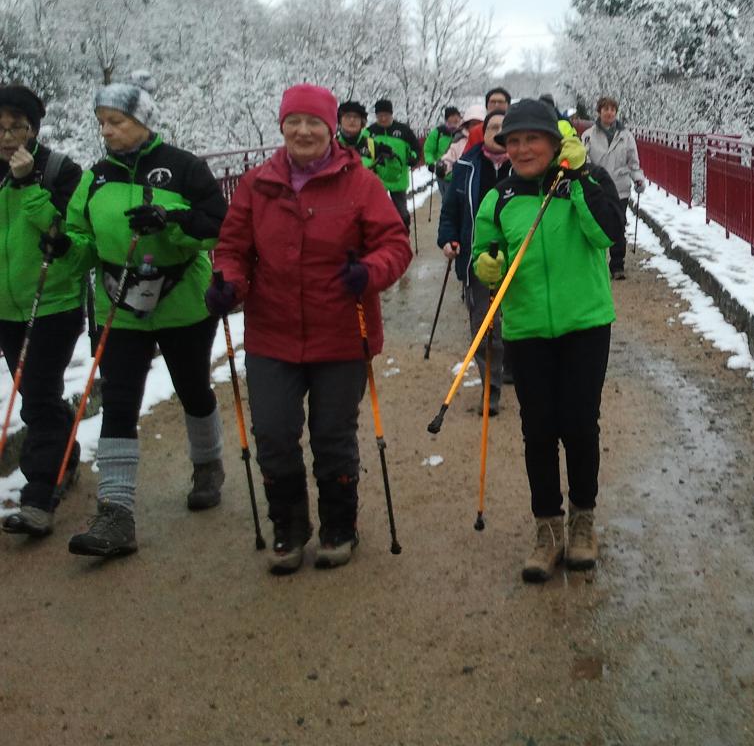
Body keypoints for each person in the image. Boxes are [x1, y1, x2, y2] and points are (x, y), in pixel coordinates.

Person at [208, 84, 412, 574]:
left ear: (330, 129)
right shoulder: (258, 185)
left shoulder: (360, 184)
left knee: (332, 435)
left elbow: (395, 244)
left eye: (314, 123)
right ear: (281, 127)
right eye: (293, 122)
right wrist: (229, 284)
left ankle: (340, 525)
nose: (303, 131)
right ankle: (289, 526)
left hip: (341, 331)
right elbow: (233, 249)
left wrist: (369, 271)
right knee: (274, 433)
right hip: (272, 333)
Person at [64, 71, 228, 559]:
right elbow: (81, 236)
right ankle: (116, 513)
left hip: (181, 300)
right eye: (102, 122)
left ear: (141, 120)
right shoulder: (96, 177)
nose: (107, 131)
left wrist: (172, 223)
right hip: (120, 306)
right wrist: (63, 245)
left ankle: (208, 465)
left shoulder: (184, 167)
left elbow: (219, 227)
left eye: (116, 120)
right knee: (119, 400)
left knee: (192, 387)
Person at [471, 98, 623, 582]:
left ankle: (583, 522)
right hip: (528, 327)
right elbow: (483, 250)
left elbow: (607, 237)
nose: (520, 149)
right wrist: (485, 265)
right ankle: (548, 528)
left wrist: (577, 180)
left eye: (531, 139)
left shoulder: (590, 181)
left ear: (556, 142)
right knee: (537, 431)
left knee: (579, 423)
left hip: (585, 324)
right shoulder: (500, 197)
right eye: (512, 141)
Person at [0, 85, 86, 538]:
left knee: (35, 395)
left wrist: (29, 183)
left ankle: (38, 497)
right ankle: (65, 457)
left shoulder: (59, 171)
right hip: (6, 309)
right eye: (0, 126)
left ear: (34, 128)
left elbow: (67, 237)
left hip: (53, 304)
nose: (7, 135)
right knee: (40, 392)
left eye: (17, 125)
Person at [437, 110, 510, 414]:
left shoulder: (526, 165)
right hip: (479, 259)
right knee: (485, 327)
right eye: (493, 126)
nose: (498, 131)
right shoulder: (466, 166)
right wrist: (448, 239)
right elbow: (451, 210)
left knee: (517, 325)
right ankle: (490, 389)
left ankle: (518, 372)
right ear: (483, 132)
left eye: (504, 127)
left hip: (521, 259)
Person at [580, 96, 646, 280]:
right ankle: (595, 263)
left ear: (616, 112)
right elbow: (583, 161)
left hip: (620, 188)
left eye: (612, 109)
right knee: (594, 225)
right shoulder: (587, 136)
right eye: (605, 109)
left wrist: (638, 179)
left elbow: (633, 163)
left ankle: (617, 265)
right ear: (599, 111)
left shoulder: (627, 137)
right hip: (597, 188)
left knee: (618, 226)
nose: (609, 112)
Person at [368, 99, 419, 231]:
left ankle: (404, 233)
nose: (383, 118)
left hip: (398, 177)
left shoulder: (403, 130)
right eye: (380, 116)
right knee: (378, 211)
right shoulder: (370, 132)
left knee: (401, 211)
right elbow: (363, 153)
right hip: (377, 179)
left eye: (386, 115)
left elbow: (415, 148)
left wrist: (413, 158)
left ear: (392, 114)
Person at [438, 87, 510, 179]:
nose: (496, 105)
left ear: (508, 105)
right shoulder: (475, 132)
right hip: (479, 178)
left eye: (500, 102)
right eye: (492, 102)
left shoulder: (516, 128)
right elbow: (465, 157)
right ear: (486, 106)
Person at [435, 101, 487, 181]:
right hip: (464, 183)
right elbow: (450, 156)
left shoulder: (490, 142)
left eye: (480, 123)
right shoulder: (460, 142)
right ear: (467, 125)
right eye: (473, 124)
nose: (477, 127)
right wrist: (443, 165)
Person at [335, 100, 379, 168]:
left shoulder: (372, 146)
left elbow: (389, 176)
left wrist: (390, 160)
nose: (352, 120)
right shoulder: (331, 146)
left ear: (362, 122)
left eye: (356, 117)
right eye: (347, 116)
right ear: (340, 121)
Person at [421, 106, 461, 170]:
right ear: (447, 119)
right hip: (443, 173)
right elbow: (428, 150)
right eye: (452, 116)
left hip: (461, 174)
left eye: (457, 116)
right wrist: (430, 162)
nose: (456, 118)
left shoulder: (464, 132)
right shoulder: (438, 132)